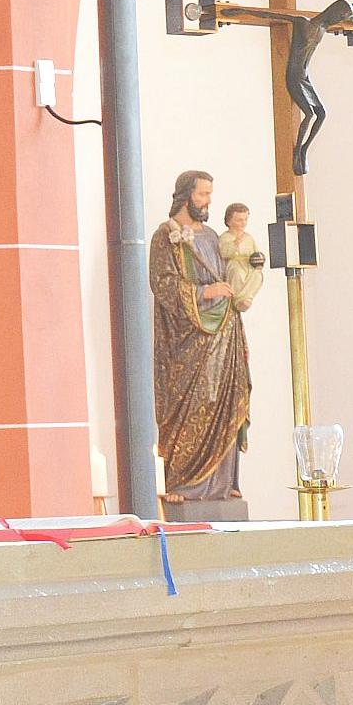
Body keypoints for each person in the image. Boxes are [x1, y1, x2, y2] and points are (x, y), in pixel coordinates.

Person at [150, 170, 251, 505]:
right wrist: (205, 291)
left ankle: (222, 483)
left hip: (224, 334)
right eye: (202, 195)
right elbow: (161, 283)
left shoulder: (211, 237)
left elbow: (231, 273)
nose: (207, 202)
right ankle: (182, 480)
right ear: (184, 196)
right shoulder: (165, 236)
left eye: (210, 194)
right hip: (187, 343)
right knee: (193, 404)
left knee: (224, 402)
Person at [218, 202, 264, 312]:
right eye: (239, 220)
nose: (243, 223)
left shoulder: (249, 237)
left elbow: (256, 252)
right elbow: (223, 252)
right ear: (229, 221)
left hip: (248, 265)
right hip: (235, 264)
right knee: (236, 273)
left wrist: (259, 263)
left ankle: (246, 298)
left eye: (245, 219)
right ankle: (238, 299)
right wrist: (235, 244)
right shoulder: (225, 237)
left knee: (258, 276)